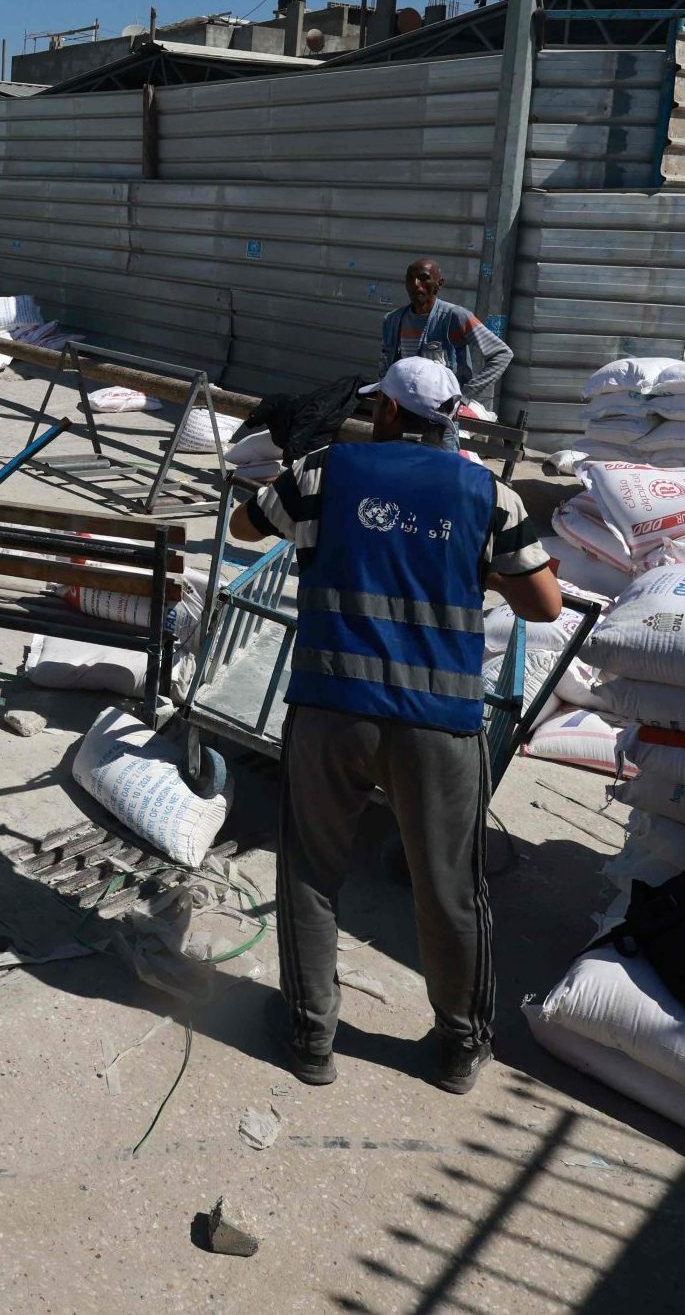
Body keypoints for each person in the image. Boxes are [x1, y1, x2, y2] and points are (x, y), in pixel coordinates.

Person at [228, 358, 562, 1096]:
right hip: (436, 724)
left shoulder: (322, 471)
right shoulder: (486, 492)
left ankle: (310, 1035)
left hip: (330, 709)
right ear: (446, 421)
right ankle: (458, 1047)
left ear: (384, 413)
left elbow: (241, 526)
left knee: (311, 874)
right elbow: (545, 606)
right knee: (448, 888)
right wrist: (476, 564)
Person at [380, 258, 512, 403]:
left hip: (442, 410)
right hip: (404, 405)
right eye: (410, 279)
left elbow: (502, 354)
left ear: (439, 284)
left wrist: (464, 396)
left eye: (423, 279)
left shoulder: (455, 317)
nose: (415, 285)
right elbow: (385, 366)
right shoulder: (393, 320)